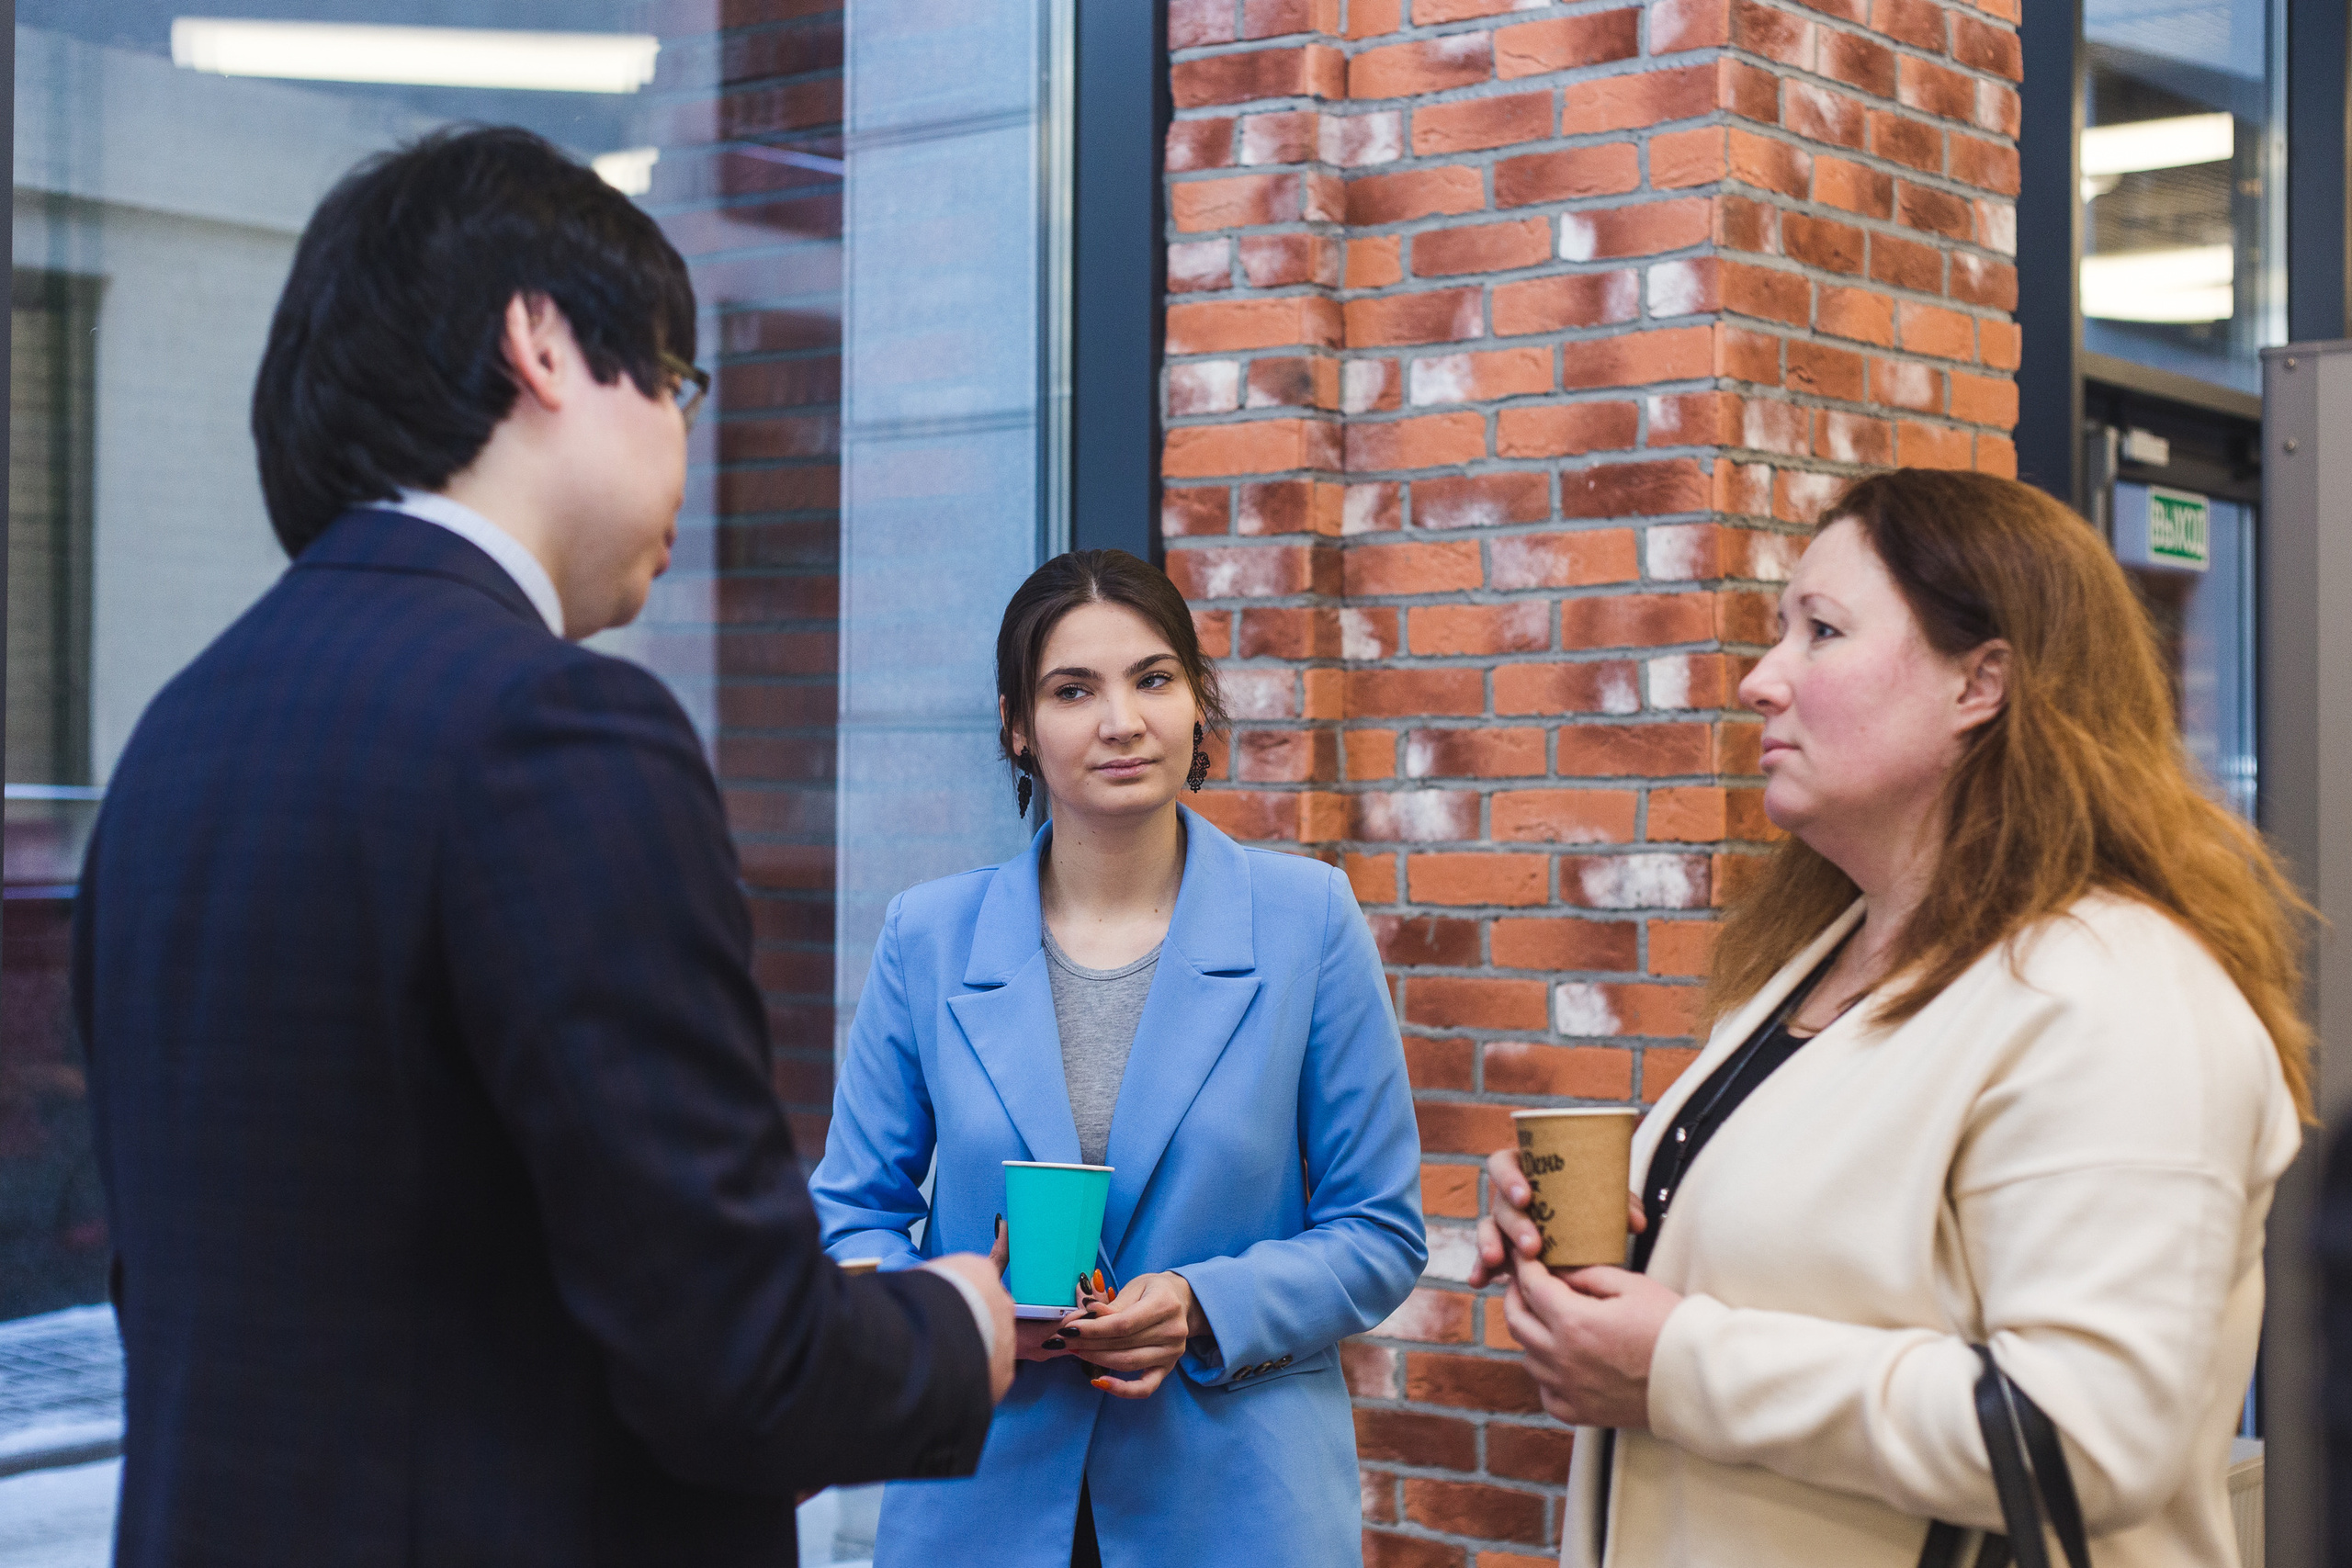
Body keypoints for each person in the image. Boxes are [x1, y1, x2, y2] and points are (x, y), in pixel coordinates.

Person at [71, 126, 1012, 1568]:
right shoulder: (554, 730)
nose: (693, 439)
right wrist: (958, 1324)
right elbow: (742, 1361)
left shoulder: (176, 736)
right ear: (545, 344)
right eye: (683, 382)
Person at [1471, 468, 2308, 1567]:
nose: (1761, 680)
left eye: (1820, 631)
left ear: (1982, 683)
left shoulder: (2116, 995)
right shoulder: (1827, 959)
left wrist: (1674, 1364)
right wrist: (1627, 1218)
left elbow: (2088, 1440)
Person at [810, 549, 1428, 1567]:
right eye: (1071, 689)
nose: (1121, 721)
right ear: (1017, 726)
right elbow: (851, 1215)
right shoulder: (928, 935)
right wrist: (961, 1319)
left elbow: (1377, 1232)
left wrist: (1202, 1306)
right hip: (979, 1501)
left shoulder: (1306, 921)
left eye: (1153, 678)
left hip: (1234, 1506)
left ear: (1197, 703)